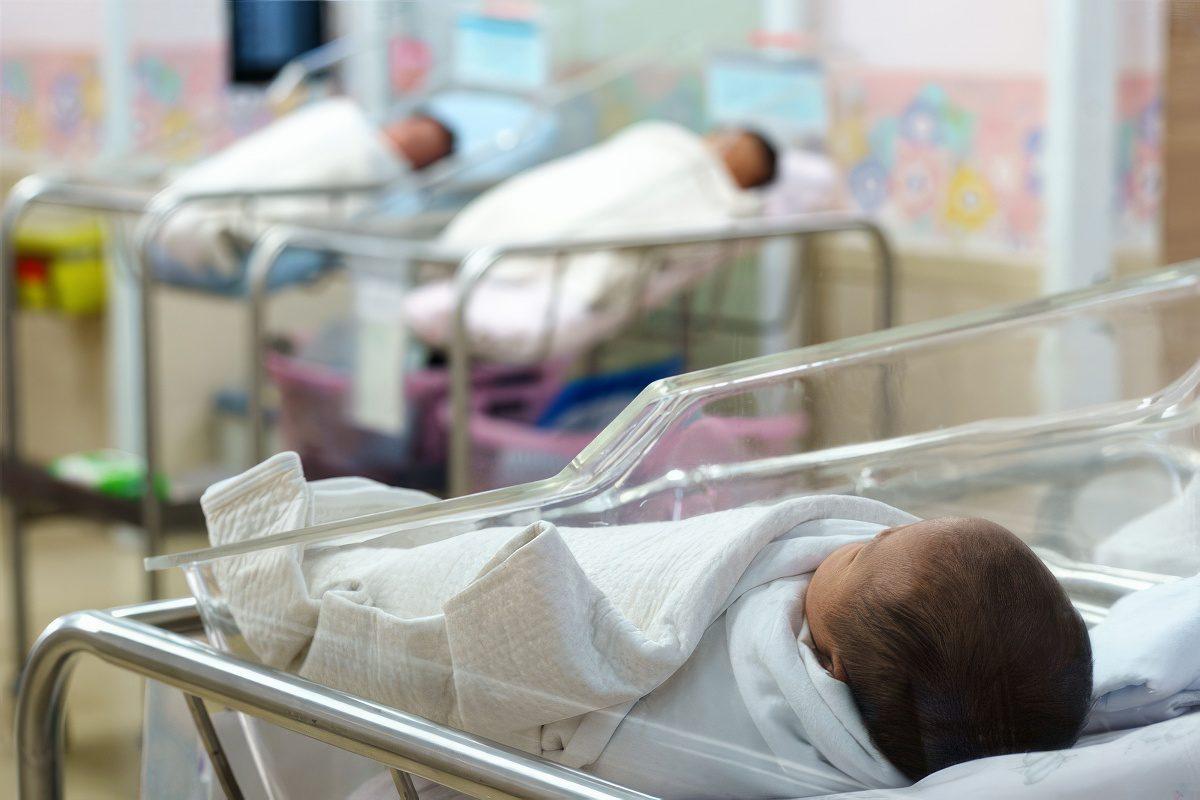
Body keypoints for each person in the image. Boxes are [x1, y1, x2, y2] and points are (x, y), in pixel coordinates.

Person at [201, 455, 1092, 799]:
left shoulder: (764, 698)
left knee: (411, 557)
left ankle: (310, 569)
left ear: (826, 661)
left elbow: (623, 625)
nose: (851, 539)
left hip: (566, 673)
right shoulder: (905, 672)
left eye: (858, 556)